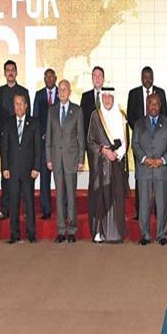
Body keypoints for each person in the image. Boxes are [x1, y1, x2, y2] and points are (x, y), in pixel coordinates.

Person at [132, 92, 167, 246]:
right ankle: (145, 235)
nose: (154, 107)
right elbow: (135, 144)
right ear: (147, 105)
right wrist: (145, 159)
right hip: (144, 169)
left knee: (162, 205)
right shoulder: (139, 124)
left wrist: (161, 160)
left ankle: (162, 235)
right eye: (151, 103)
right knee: (144, 205)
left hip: (161, 170)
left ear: (160, 105)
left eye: (156, 104)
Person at [88, 86, 129, 243]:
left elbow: (126, 140)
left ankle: (114, 233)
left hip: (117, 163)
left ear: (114, 98)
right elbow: (90, 141)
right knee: (101, 196)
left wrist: (117, 154)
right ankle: (99, 231)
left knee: (116, 197)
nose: (107, 99)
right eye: (104, 96)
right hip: (101, 165)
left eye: (109, 96)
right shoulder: (95, 116)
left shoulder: (121, 116)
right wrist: (104, 151)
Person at [126, 66, 167, 220]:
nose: (148, 80)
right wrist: (141, 133)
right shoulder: (134, 94)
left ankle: (158, 210)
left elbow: (165, 116)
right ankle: (140, 211)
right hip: (140, 144)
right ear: (141, 78)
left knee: (158, 179)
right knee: (141, 179)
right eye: (145, 77)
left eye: (150, 77)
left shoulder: (160, 93)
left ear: (153, 77)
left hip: (159, 144)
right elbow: (130, 117)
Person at [46, 79, 85, 243]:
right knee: (59, 197)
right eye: (60, 89)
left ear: (69, 92)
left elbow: (81, 137)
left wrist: (81, 159)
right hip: (56, 159)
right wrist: (48, 158)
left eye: (65, 89)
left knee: (71, 196)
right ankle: (61, 230)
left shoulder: (77, 110)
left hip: (71, 159)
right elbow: (49, 136)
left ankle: (72, 230)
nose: (62, 92)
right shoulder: (52, 111)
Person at [0, 94, 41, 243]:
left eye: (21, 103)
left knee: (29, 203)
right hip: (12, 170)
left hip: (28, 170)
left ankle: (31, 233)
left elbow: (38, 147)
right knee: (14, 203)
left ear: (26, 106)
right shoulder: (8, 123)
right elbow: (4, 147)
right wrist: (4, 167)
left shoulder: (34, 123)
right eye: (16, 104)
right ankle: (14, 234)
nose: (18, 106)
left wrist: (36, 167)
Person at [0, 59, 31, 219]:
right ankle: (5, 208)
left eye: (12, 70)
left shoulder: (23, 91)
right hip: (5, 140)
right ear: (4, 73)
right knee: (6, 175)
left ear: (16, 72)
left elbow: (28, 116)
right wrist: (6, 132)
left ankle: (24, 208)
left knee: (24, 175)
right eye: (7, 70)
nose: (10, 72)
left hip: (22, 142)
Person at [80, 65, 106, 228]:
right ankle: (94, 215)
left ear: (103, 79)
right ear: (92, 79)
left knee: (107, 180)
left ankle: (106, 214)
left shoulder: (109, 95)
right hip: (92, 147)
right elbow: (82, 123)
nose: (97, 78)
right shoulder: (86, 97)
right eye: (94, 75)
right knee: (94, 179)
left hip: (107, 147)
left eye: (99, 75)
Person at [32, 67, 58, 220]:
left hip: (59, 144)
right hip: (43, 144)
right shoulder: (39, 94)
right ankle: (46, 210)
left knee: (61, 179)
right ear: (44, 79)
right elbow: (35, 118)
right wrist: (42, 135)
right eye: (46, 77)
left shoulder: (61, 93)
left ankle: (64, 209)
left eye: (51, 76)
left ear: (55, 78)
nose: (49, 79)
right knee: (44, 180)